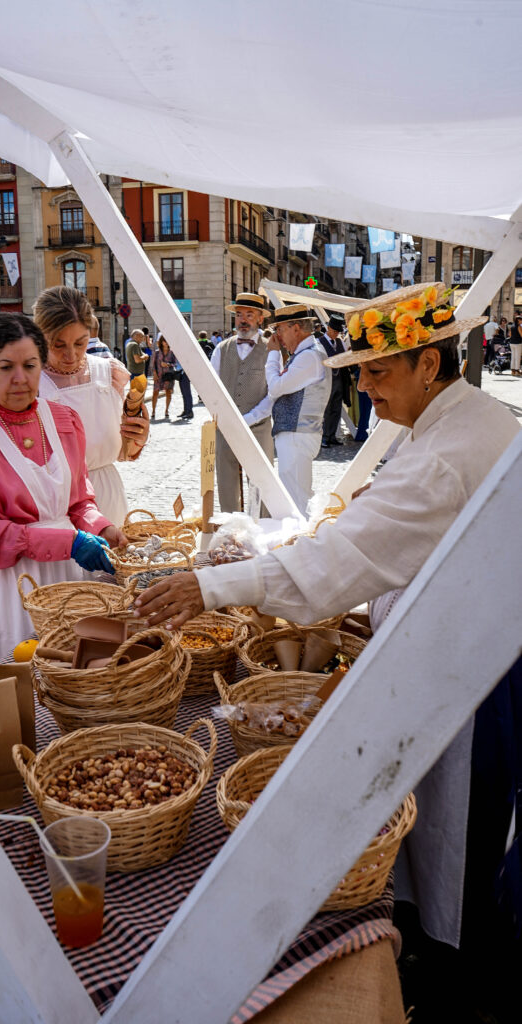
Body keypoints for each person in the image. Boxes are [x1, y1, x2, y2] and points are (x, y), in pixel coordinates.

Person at [133, 281, 519, 965]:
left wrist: (210, 585)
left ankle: (451, 966)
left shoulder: (441, 455)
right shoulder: (473, 419)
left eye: (377, 371)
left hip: (467, 675)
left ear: (426, 365)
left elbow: (332, 566)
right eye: (360, 372)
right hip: (476, 652)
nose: (364, 387)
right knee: (465, 828)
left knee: (455, 831)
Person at [0, 312, 126, 664]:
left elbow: (79, 499)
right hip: (5, 584)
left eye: (31, 365)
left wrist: (102, 527)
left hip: (65, 576)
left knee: (67, 673)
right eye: (6, 367)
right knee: (12, 680)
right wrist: (66, 542)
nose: (21, 379)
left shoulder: (64, 421)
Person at [34, 286, 149, 527]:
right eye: (58, 345)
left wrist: (137, 436)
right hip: (55, 504)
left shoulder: (108, 373)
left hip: (107, 496)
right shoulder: (31, 383)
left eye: (80, 342)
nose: (71, 354)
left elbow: (123, 450)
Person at [210, 293, 274, 513]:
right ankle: (231, 533)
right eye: (239, 315)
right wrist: (224, 419)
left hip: (259, 427)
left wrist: (249, 418)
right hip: (226, 428)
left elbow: (274, 393)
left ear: (259, 319)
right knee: (226, 482)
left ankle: (263, 532)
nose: (243, 320)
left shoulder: (271, 350)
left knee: (261, 484)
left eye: (249, 314)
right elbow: (211, 389)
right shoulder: (221, 349)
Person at [265, 305, 331, 515]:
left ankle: (301, 543)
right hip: (297, 434)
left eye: (280, 329)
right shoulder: (307, 353)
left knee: (296, 502)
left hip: (298, 434)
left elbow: (276, 388)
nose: (277, 336)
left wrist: (273, 355)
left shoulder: (309, 356)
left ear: (296, 328)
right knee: (295, 497)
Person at [319, 312, 349, 447]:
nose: (336, 334)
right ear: (329, 329)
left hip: (338, 380)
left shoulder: (339, 342)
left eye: (338, 332)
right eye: (335, 331)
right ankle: (324, 437)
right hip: (325, 381)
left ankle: (331, 436)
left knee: (336, 409)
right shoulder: (319, 342)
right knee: (326, 409)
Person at [151, 336, 176, 420]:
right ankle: (153, 411)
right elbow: (153, 364)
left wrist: (168, 364)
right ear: (161, 342)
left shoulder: (172, 352)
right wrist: (154, 373)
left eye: (167, 341)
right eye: (164, 341)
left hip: (168, 375)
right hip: (158, 375)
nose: (166, 343)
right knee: (155, 392)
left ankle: (166, 410)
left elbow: (175, 364)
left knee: (168, 392)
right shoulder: (157, 352)